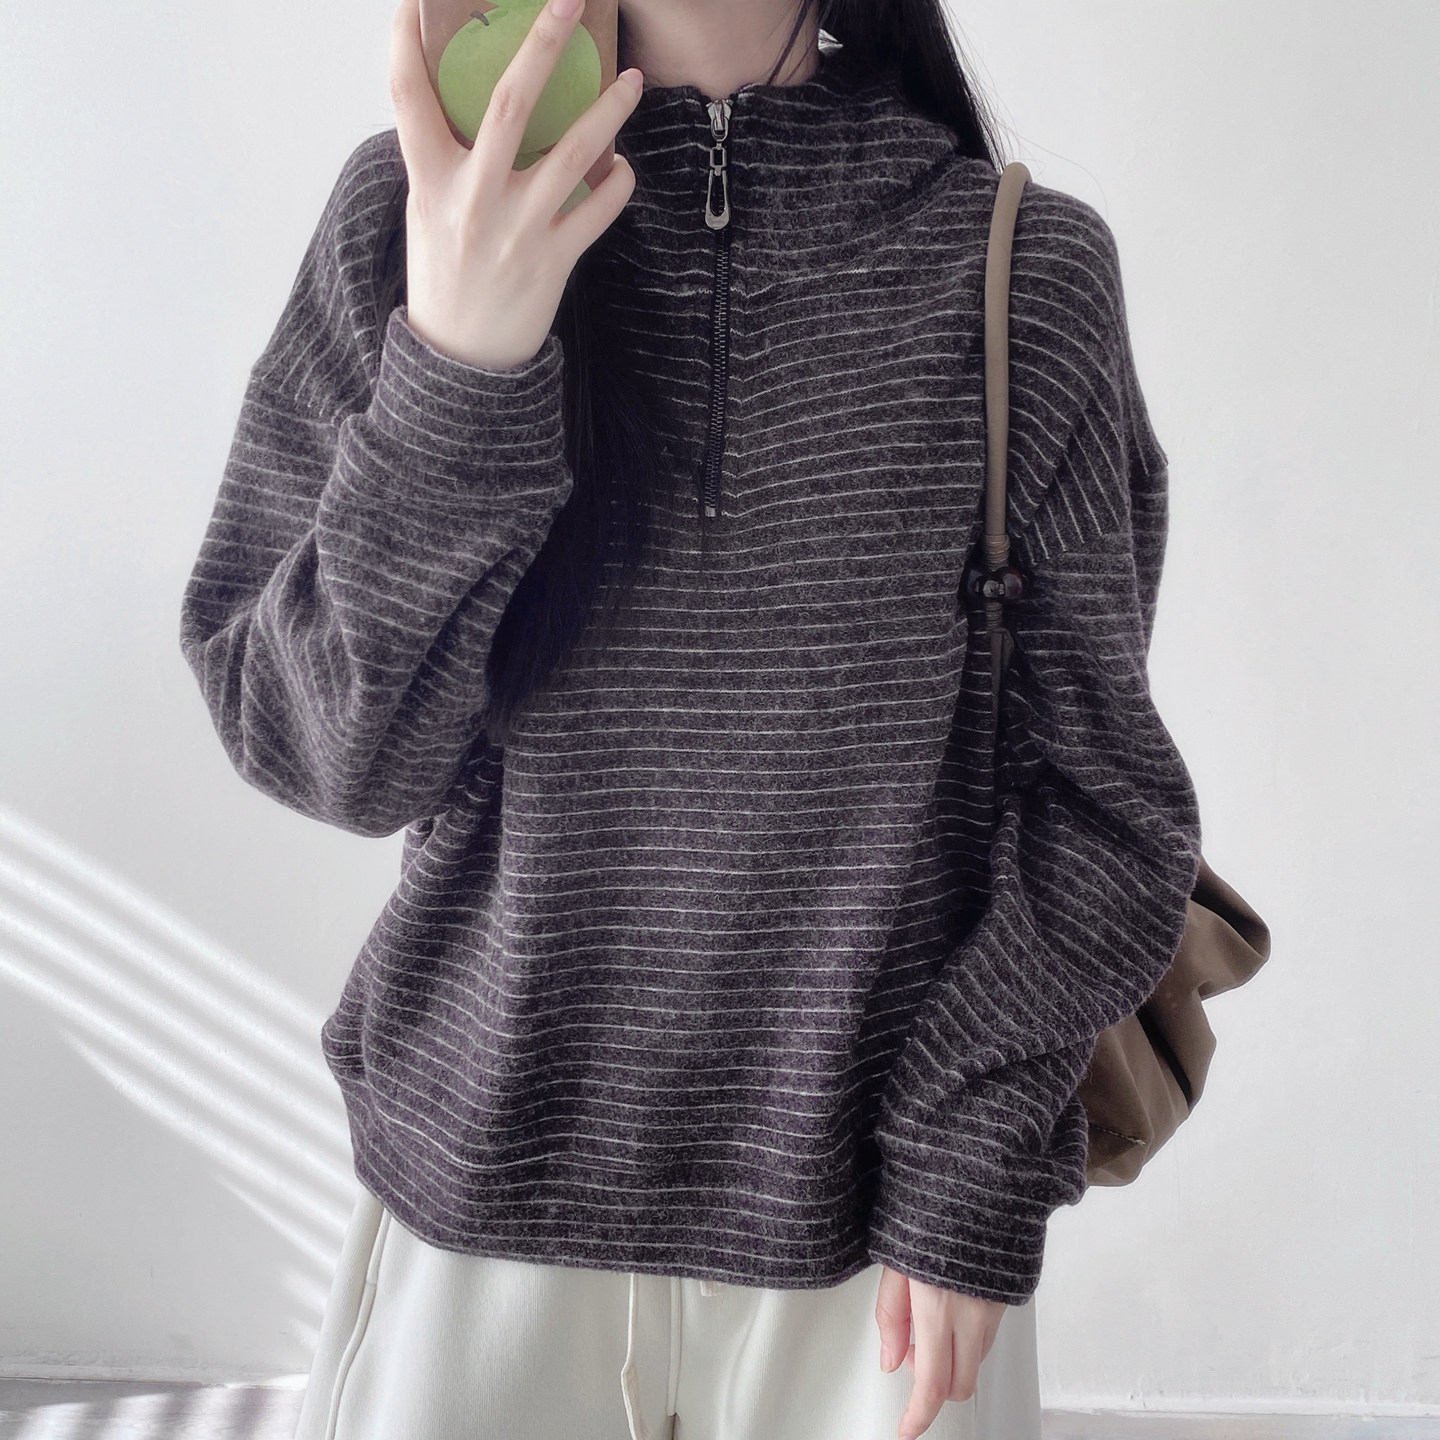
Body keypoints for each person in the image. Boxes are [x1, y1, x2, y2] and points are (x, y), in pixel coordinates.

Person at [177, 0, 1202, 1434]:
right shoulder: (414, 210)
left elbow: (1106, 810)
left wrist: (968, 1156)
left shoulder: (1022, 270)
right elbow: (316, 749)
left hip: (884, 1258)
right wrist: (460, 364)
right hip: (478, 1226)